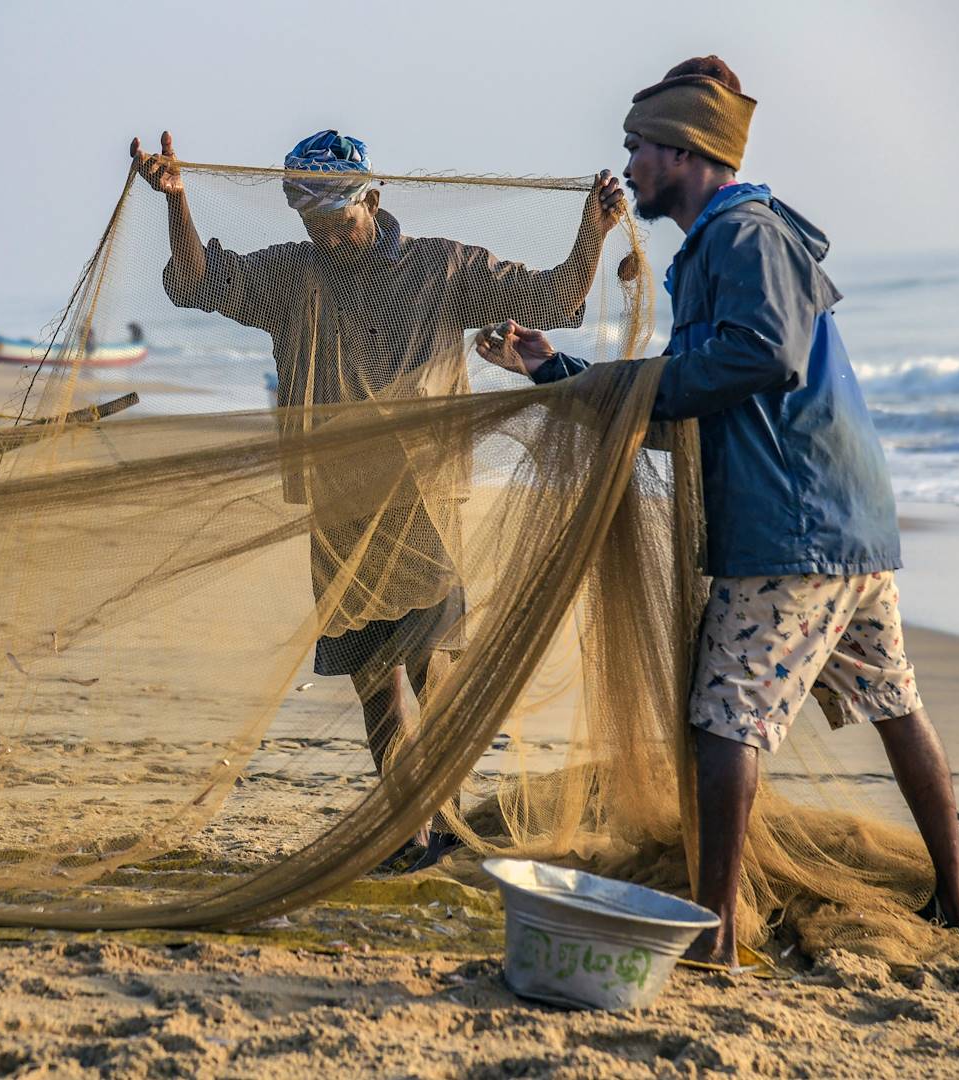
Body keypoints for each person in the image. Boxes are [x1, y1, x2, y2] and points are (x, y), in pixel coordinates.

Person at [479, 56, 959, 964]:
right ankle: (957, 899)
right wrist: (560, 374)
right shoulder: (726, 241)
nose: (626, 164)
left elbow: (758, 359)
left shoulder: (742, 237)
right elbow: (698, 402)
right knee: (894, 701)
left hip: (794, 531)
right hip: (845, 522)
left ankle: (712, 934)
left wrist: (616, 385)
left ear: (684, 150)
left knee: (723, 722)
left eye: (638, 147)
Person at [132, 128, 623, 870]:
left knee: (432, 667)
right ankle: (407, 829)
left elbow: (555, 295)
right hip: (337, 501)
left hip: (423, 495)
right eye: (312, 220)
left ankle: (442, 816)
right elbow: (199, 281)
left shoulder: (443, 268)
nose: (327, 233)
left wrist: (592, 230)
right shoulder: (289, 276)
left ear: (374, 197)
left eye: (338, 216)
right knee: (372, 674)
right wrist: (176, 203)